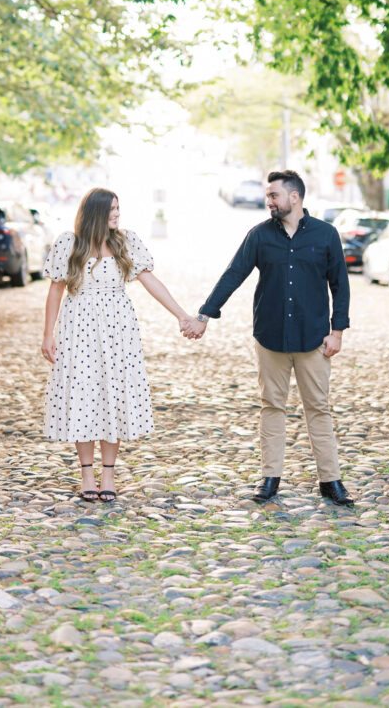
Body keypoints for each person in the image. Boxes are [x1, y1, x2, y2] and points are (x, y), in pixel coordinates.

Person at [183, 170, 353, 507]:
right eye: (268, 195)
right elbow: (234, 275)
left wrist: (337, 332)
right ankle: (270, 478)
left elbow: (341, 285)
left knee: (318, 408)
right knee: (272, 407)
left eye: (274, 195)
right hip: (270, 336)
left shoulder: (326, 234)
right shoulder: (259, 236)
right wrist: (204, 314)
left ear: (294, 197)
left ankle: (330, 481)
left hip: (314, 339)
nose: (269, 201)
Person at [40, 187, 195, 502]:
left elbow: (150, 281)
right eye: (111, 209)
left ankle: (108, 473)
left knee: (113, 397)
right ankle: (86, 475)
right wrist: (48, 334)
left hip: (118, 332)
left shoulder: (125, 241)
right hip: (77, 328)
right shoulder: (68, 243)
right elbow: (56, 289)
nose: (117, 213)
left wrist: (181, 314)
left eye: (118, 208)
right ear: (95, 212)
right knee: (82, 398)